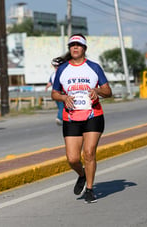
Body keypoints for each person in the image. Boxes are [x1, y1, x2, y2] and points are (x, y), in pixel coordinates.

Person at [51, 34, 112, 203]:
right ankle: (82, 174)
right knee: (72, 158)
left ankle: (90, 190)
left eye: (78, 45)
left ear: (84, 48)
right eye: (72, 45)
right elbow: (54, 93)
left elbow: (108, 92)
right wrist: (64, 98)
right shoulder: (63, 69)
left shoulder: (94, 67)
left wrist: (97, 91)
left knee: (89, 153)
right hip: (71, 117)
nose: (75, 48)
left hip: (93, 116)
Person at [45, 57, 64, 126]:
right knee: (61, 106)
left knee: (62, 106)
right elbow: (50, 82)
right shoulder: (55, 74)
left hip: (59, 93)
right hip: (58, 93)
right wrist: (47, 87)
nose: (56, 68)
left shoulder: (59, 74)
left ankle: (61, 118)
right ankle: (60, 118)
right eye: (55, 66)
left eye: (57, 66)